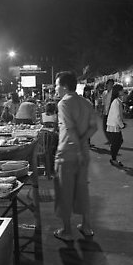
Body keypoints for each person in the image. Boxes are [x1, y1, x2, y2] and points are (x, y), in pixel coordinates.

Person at [53, 71, 98, 242]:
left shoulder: (64, 103)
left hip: (67, 153)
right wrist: (82, 145)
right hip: (83, 153)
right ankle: (86, 226)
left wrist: (76, 148)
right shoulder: (86, 102)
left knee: (65, 191)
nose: (56, 89)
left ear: (64, 87)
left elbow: (70, 129)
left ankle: (66, 230)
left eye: (57, 85)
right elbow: (93, 128)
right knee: (82, 189)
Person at [106, 83, 126, 167]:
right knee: (117, 142)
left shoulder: (116, 101)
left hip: (113, 125)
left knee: (117, 142)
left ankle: (114, 158)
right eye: (121, 90)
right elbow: (117, 116)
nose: (123, 91)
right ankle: (113, 159)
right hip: (114, 125)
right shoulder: (116, 102)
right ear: (118, 91)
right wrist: (122, 125)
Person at [101, 79, 115, 143]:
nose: (110, 85)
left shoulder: (114, 93)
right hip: (105, 112)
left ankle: (112, 140)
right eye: (109, 84)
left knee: (111, 127)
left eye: (111, 84)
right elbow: (103, 103)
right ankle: (109, 139)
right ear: (107, 85)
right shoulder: (104, 93)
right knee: (104, 127)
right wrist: (102, 111)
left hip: (111, 112)